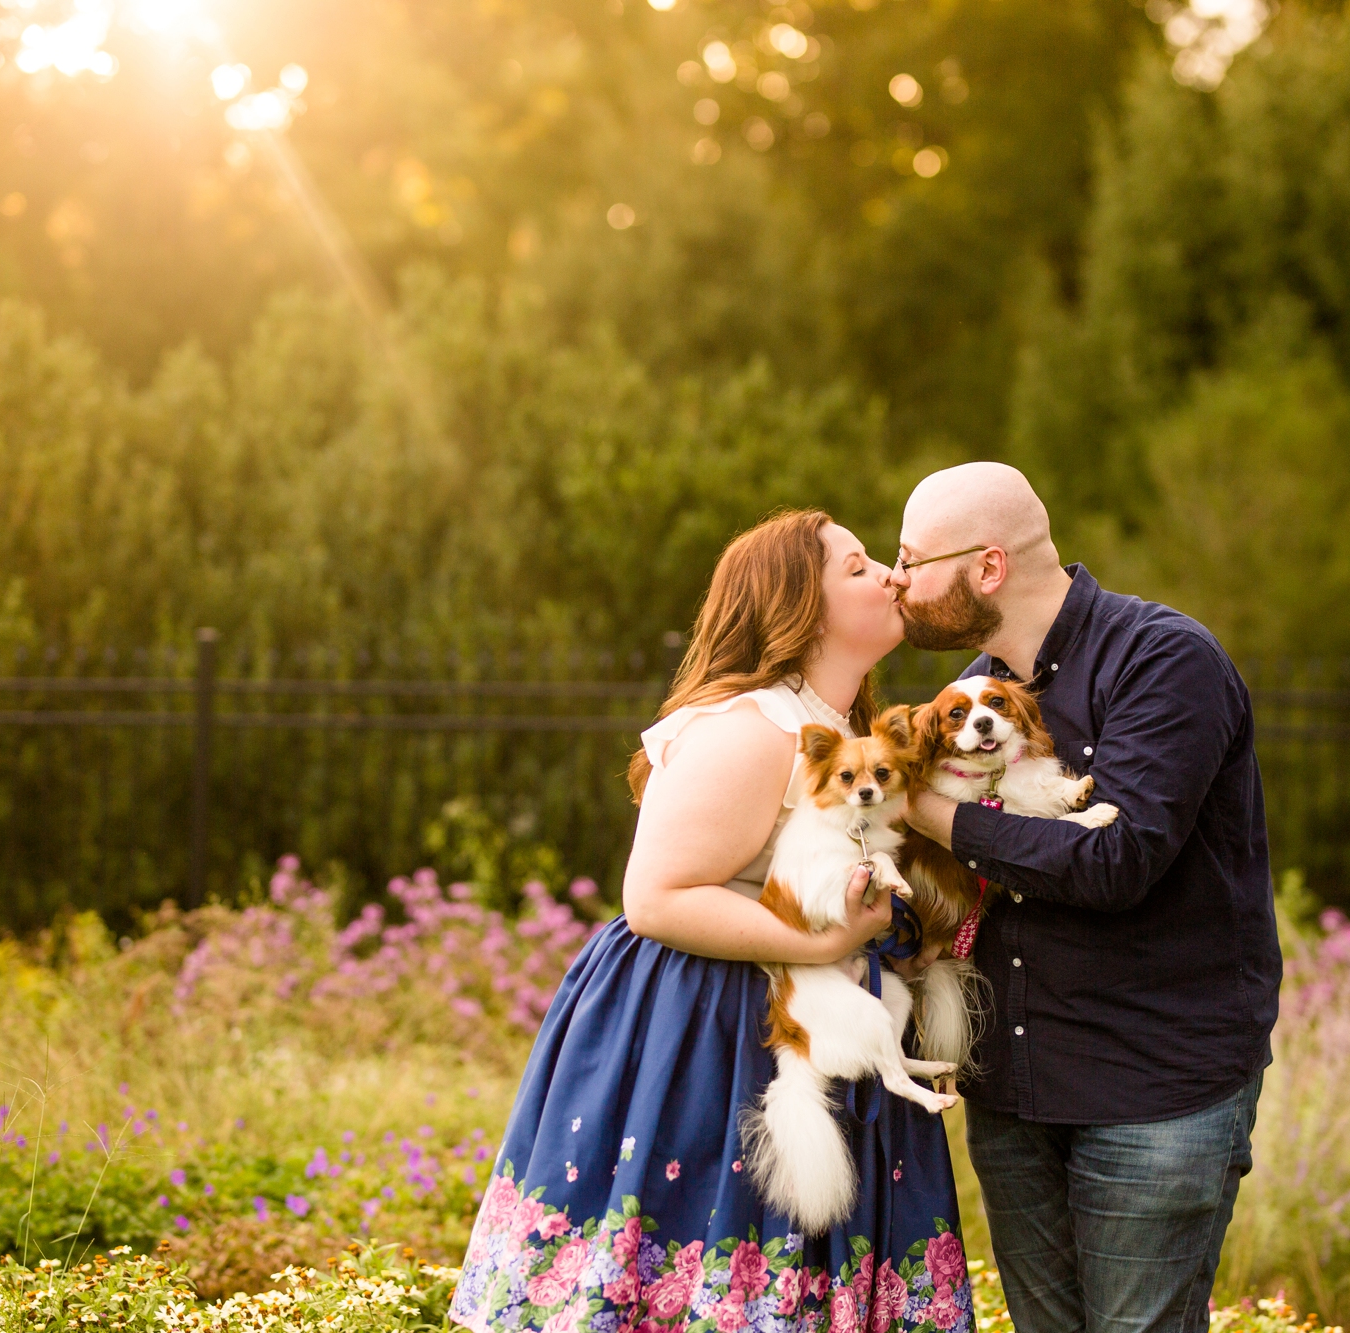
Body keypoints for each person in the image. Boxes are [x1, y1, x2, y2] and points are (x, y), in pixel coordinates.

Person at [450, 509, 978, 1333]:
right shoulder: (747, 727)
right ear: (800, 609)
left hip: (815, 1019)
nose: (890, 575)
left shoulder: (848, 734)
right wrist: (829, 940)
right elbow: (655, 897)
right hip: (709, 1034)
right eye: (858, 567)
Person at [893, 462, 1281, 1333]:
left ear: (987, 567)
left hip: (1154, 1089)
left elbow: (1117, 860)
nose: (897, 580)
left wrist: (930, 808)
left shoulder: (1162, 657)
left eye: (913, 561)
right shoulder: (972, 695)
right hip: (1015, 1093)